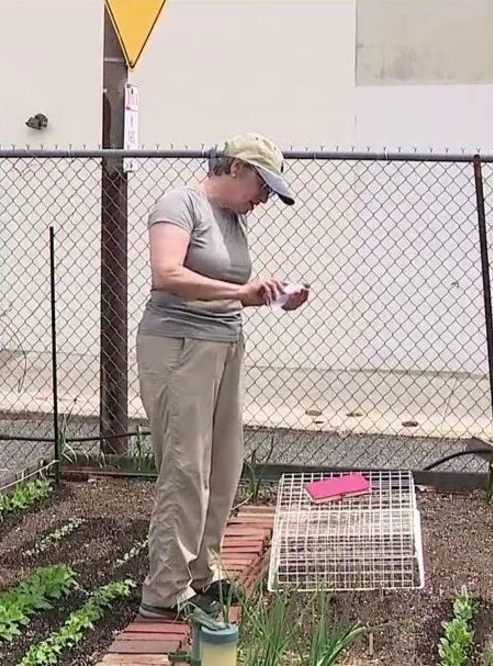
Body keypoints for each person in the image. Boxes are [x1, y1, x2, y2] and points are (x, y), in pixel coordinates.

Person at [135, 132, 310, 620]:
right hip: (178, 345)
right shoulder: (180, 203)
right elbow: (166, 274)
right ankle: (165, 590)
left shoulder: (232, 219)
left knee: (223, 464)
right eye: (262, 187)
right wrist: (242, 294)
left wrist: (271, 294)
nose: (264, 200)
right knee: (186, 466)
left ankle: (202, 571)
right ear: (235, 168)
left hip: (224, 343)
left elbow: (234, 287)